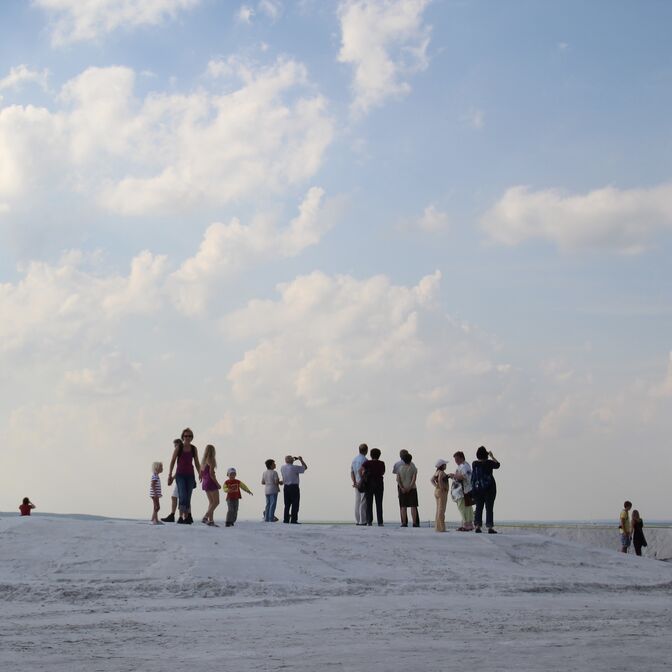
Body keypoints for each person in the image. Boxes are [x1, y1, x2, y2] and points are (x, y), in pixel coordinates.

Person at [166, 428, 201, 524]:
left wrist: (200, 473)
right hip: (180, 475)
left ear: (192, 437)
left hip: (190, 475)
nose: (187, 438)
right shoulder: (179, 448)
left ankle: (187, 517)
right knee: (182, 495)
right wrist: (170, 474)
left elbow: (197, 462)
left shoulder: (193, 448)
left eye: (189, 436)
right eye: (186, 436)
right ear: (183, 437)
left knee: (188, 496)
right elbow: (173, 461)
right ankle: (181, 517)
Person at [471, 446, 500, 534]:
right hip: (489, 489)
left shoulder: (474, 464)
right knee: (489, 508)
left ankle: (477, 526)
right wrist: (492, 456)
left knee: (479, 508)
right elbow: (498, 465)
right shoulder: (489, 463)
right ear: (486, 455)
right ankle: (490, 527)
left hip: (478, 489)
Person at [449, 451, 474, 531]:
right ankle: (468, 524)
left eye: (457, 459)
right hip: (462, 491)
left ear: (461, 458)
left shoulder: (464, 466)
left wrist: (453, 475)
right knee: (466, 507)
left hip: (462, 491)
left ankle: (466, 524)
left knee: (463, 507)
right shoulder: (463, 466)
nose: (456, 461)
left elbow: (463, 476)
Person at [361, 448, 385, 526]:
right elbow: (383, 472)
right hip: (379, 484)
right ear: (379, 455)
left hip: (369, 484)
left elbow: (361, 470)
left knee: (369, 503)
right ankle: (380, 522)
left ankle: (369, 521)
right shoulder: (382, 463)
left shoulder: (367, 463)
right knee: (379, 503)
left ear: (371, 455)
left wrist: (364, 476)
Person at [280, 455, 308, 524]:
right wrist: (301, 460)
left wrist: (293, 459)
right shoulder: (294, 467)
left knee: (287, 505)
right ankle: (293, 520)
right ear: (292, 460)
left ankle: (286, 520)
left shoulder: (282, 467)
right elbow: (305, 467)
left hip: (286, 487)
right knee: (295, 504)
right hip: (294, 487)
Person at [161, 439, 182, 522]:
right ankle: (175, 516)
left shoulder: (180, 454)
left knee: (179, 497)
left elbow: (180, 469)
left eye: (175, 445)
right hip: (179, 478)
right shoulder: (179, 455)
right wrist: (173, 478)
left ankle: (179, 516)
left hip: (181, 479)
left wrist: (171, 477)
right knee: (175, 497)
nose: (175, 447)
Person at [396, 452, 419, 527]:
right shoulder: (413, 468)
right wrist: (410, 487)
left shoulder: (399, 468)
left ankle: (404, 523)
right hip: (412, 488)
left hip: (402, 489)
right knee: (413, 506)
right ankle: (414, 522)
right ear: (410, 459)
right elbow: (413, 479)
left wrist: (401, 487)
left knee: (403, 506)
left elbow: (398, 479)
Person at [200, 444, 221, 526]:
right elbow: (211, 474)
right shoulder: (211, 460)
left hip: (205, 482)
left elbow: (201, 473)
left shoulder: (203, 461)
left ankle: (211, 521)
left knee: (211, 502)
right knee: (216, 502)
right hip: (211, 482)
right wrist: (217, 484)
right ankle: (206, 516)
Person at [350, 443, 369, 525]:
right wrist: (362, 481)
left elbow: (352, 472)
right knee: (363, 501)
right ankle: (363, 520)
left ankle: (357, 520)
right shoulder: (365, 460)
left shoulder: (354, 460)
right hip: (363, 483)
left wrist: (354, 482)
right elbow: (363, 472)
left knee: (357, 501)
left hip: (356, 483)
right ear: (366, 450)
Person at [431, 459, 450, 532]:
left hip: (437, 491)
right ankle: (441, 528)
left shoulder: (437, 472)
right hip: (442, 492)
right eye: (445, 464)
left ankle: (438, 527)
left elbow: (431, 480)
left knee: (438, 509)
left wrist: (436, 486)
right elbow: (439, 479)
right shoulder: (441, 472)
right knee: (442, 509)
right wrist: (442, 488)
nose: (446, 466)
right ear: (442, 465)